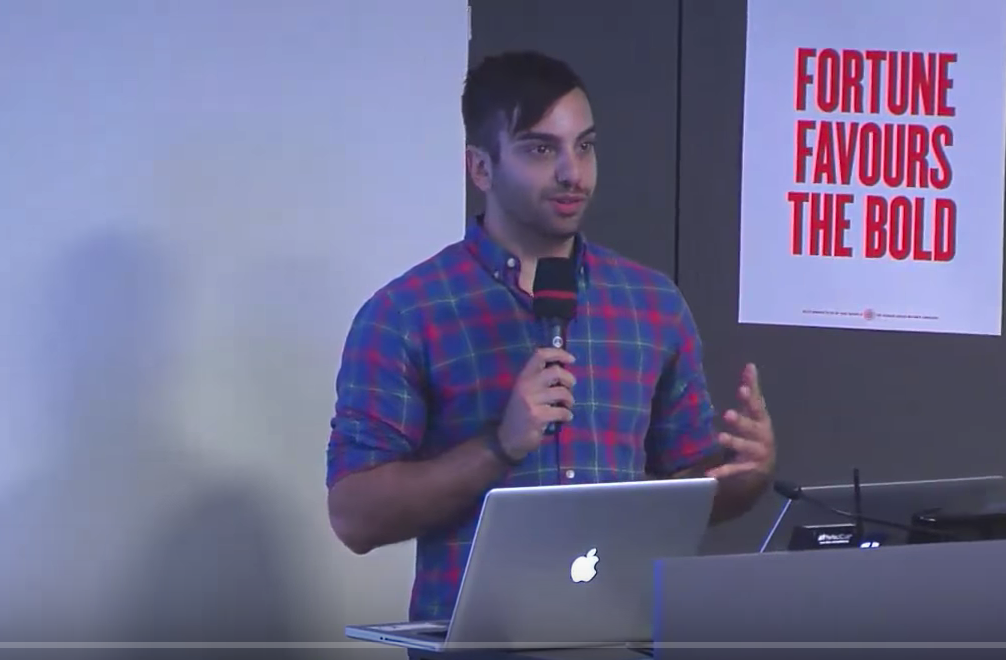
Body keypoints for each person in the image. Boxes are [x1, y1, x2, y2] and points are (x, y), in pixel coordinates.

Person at [325, 50, 776, 623]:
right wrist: (499, 447)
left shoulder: (652, 304)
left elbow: (694, 492)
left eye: (584, 146)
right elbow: (355, 518)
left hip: (621, 638)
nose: (573, 173)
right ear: (481, 168)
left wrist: (747, 472)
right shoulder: (406, 314)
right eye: (541, 149)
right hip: (477, 641)